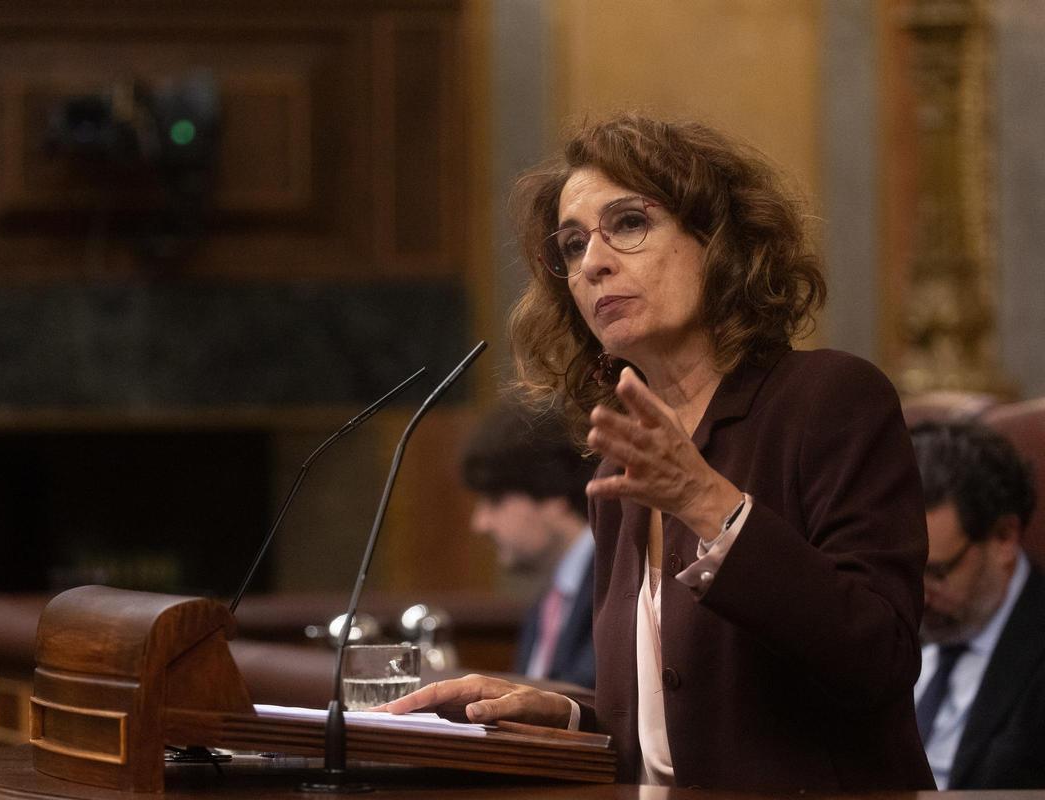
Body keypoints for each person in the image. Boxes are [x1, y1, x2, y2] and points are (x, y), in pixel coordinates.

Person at [379, 113, 933, 791]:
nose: (594, 262)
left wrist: (705, 502)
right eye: (572, 245)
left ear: (718, 240)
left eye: (629, 225)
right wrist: (565, 713)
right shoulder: (622, 461)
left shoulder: (828, 402)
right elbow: (678, 720)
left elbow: (879, 656)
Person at [909, 420, 1045, 789]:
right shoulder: (882, 622)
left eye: (937, 572)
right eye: (906, 570)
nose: (918, 596)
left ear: (1003, 537)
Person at [461, 403, 597, 688]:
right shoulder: (549, 601)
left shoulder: (615, 581)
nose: (480, 523)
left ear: (553, 491)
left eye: (495, 500)